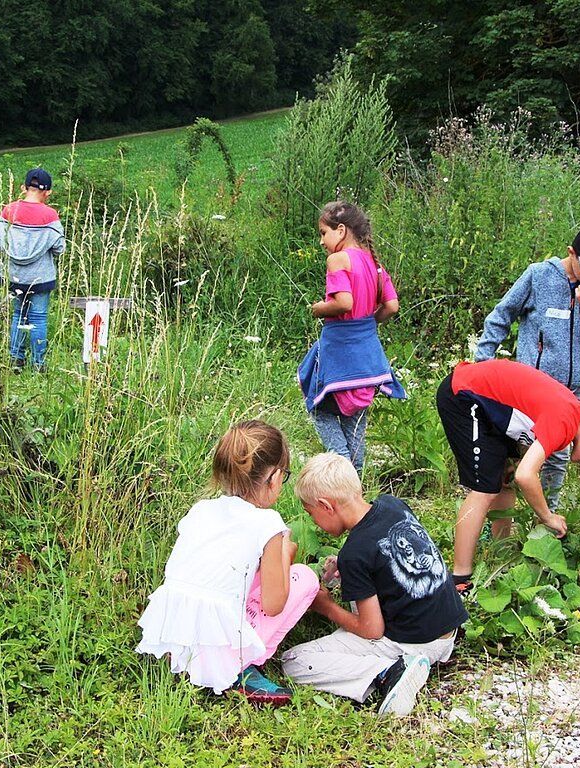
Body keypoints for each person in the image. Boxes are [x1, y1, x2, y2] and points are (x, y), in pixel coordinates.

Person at [136, 420, 319, 705]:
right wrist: (284, 551)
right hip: (219, 641)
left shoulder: (201, 509)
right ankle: (241, 665)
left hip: (176, 634)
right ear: (273, 477)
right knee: (305, 577)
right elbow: (274, 604)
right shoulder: (268, 523)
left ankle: (195, 661)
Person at [281, 453, 468, 717]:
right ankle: (404, 665)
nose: (314, 523)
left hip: (415, 643)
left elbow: (371, 630)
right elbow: (391, 558)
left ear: (326, 505)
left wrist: (326, 607)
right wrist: (348, 570)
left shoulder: (355, 553)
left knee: (294, 662)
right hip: (447, 629)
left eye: (311, 514)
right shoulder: (392, 505)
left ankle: (388, 673)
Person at [435, 359, 580, 592]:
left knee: (504, 481)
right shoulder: (565, 420)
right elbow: (527, 475)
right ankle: (459, 578)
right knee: (484, 489)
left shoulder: (570, 412)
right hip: (463, 395)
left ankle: (500, 552)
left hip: (488, 406)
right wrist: (547, 516)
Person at [475, 222, 580, 512]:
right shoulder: (539, 276)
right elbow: (501, 315)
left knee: (557, 455)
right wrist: (483, 362)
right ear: (571, 253)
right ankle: (501, 517)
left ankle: (546, 516)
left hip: (572, 389)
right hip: (530, 389)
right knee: (513, 451)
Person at [298, 201, 403, 475]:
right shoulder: (374, 263)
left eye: (323, 233)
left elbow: (344, 302)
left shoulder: (337, 259)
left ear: (341, 230)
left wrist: (318, 308)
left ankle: (341, 477)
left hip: (339, 358)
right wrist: (366, 324)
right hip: (367, 361)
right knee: (355, 430)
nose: (322, 241)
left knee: (321, 411)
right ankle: (356, 488)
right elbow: (391, 306)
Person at [0, 168, 65, 372]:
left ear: (24, 188)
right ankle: (38, 365)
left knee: (18, 315)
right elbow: (59, 248)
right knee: (38, 318)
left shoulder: (8, 210)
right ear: (48, 192)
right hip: (41, 277)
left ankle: (16, 359)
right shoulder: (50, 215)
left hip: (15, 276)